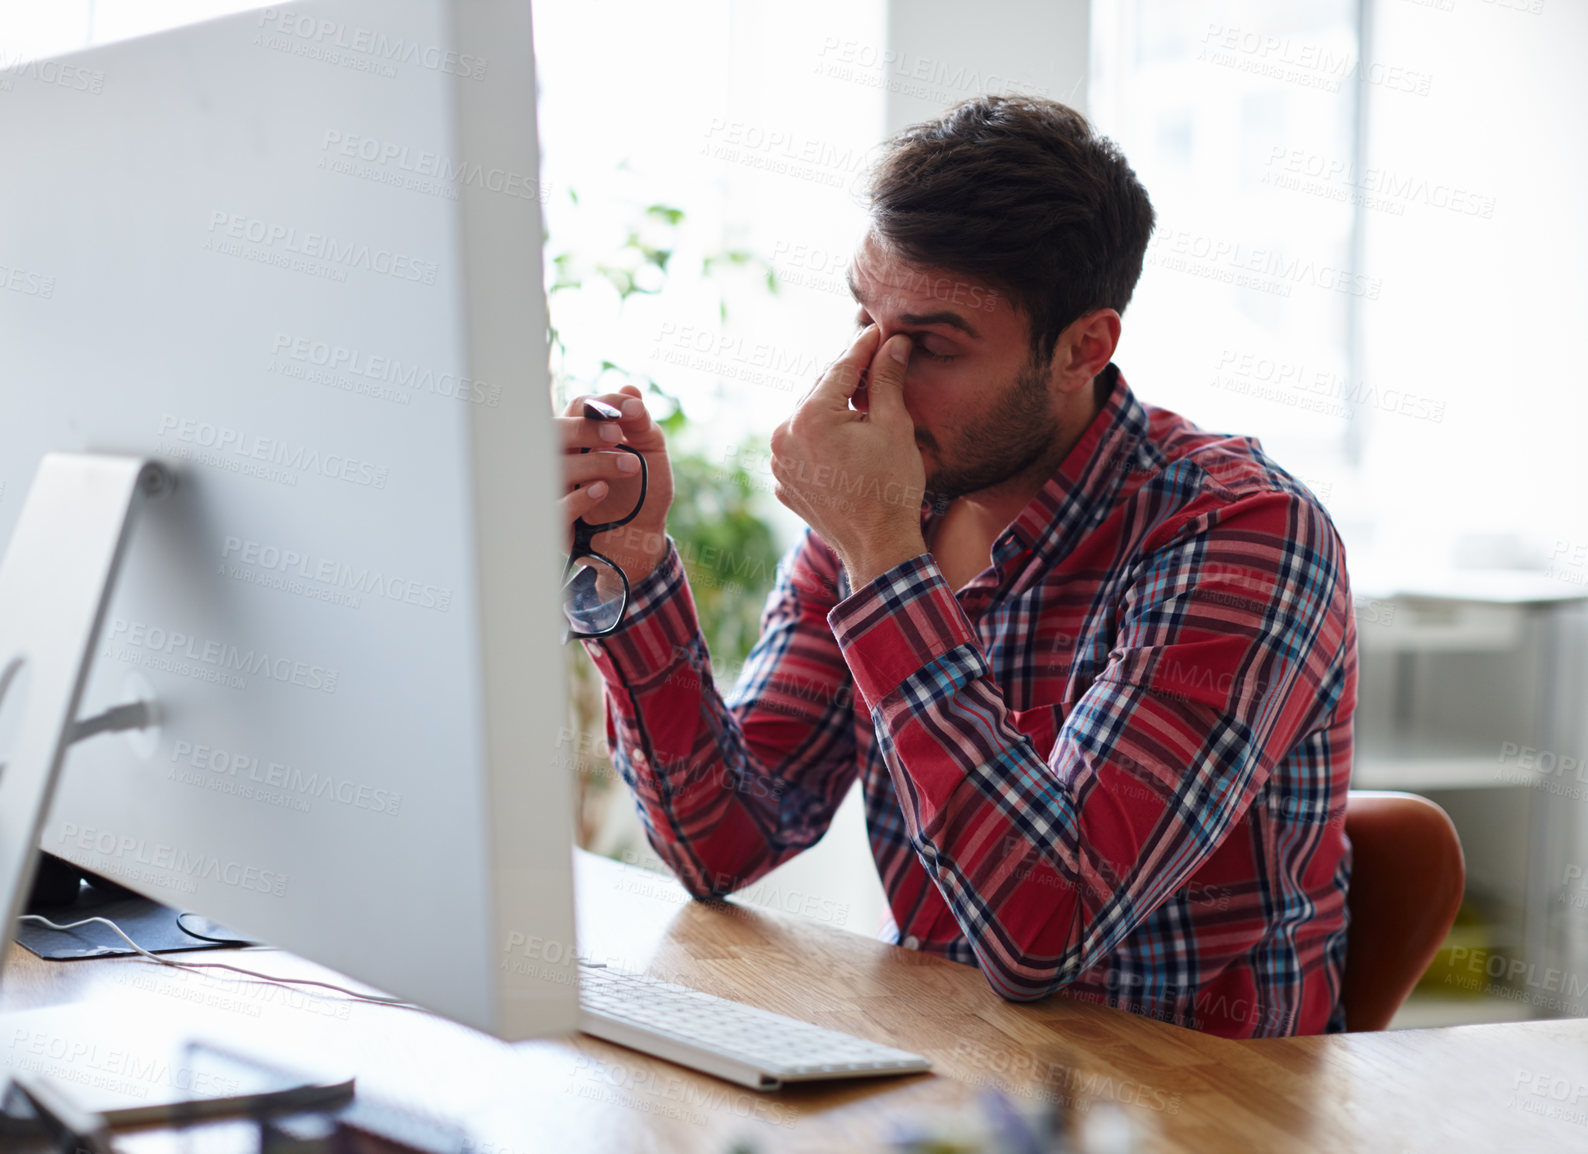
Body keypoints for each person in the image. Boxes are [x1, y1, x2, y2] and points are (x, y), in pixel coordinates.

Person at [556, 95, 1355, 1037]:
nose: (863, 385)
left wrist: (885, 560)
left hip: (1196, 1112)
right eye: (862, 319)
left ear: (1083, 348)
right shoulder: (894, 501)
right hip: (954, 1084)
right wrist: (633, 562)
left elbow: (1045, 933)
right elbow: (723, 840)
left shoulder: (1243, 533)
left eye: (930, 346)